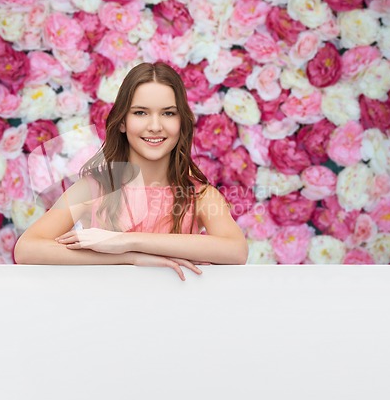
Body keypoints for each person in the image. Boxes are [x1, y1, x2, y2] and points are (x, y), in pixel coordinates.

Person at [14, 62, 248, 279]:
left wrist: (125, 241)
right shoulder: (93, 189)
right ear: (123, 122)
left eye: (168, 113)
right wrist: (129, 258)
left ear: (181, 122)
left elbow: (236, 251)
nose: (155, 126)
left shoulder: (200, 196)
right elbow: (27, 249)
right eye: (140, 113)